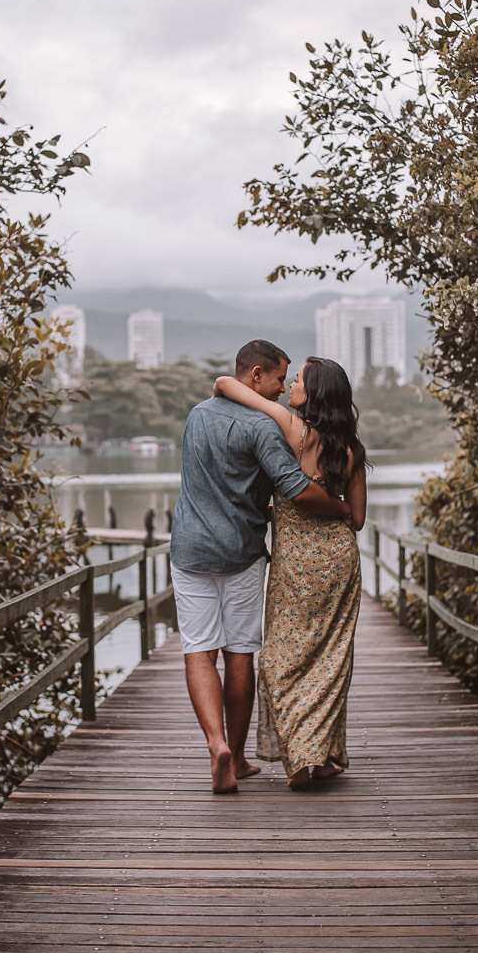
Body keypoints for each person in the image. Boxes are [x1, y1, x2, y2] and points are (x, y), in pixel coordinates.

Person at [170, 340, 353, 794]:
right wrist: (342, 510)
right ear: (255, 375)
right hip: (242, 552)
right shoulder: (265, 427)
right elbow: (297, 489)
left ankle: (217, 747)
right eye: (278, 378)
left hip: (189, 549)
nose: (280, 386)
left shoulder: (196, 416)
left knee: (197, 650)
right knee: (238, 653)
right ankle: (237, 754)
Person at [214, 357, 367, 789]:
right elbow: (356, 520)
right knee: (331, 660)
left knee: (281, 660)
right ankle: (319, 754)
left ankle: (301, 758)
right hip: (338, 562)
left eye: (298, 379)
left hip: (295, 566)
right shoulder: (352, 450)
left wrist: (217, 392)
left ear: (314, 393)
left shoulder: (290, 427)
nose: (291, 385)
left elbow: (227, 382)